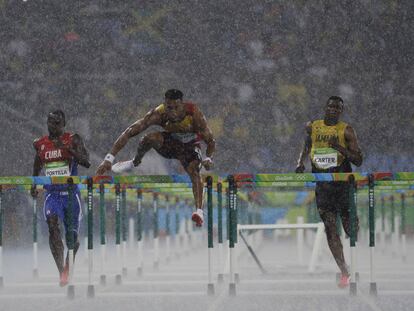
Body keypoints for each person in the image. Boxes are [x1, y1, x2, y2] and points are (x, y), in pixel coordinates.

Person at [96, 89, 216, 226]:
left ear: (182, 104)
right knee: (148, 138)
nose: (173, 112)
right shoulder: (158, 114)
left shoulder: (194, 114)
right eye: (169, 108)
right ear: (165, 105)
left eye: (176, 107)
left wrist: (209, 157)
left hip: (190, 147)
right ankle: (135, 162)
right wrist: (109, 158)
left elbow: (211, 141)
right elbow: (129, 132)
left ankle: (199, 212)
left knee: (194, 171)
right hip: (171, 145)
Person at [295, 96, 363, 288]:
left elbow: (359, 160)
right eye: (331, 106)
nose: (333, 109)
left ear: (341, 111)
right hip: (323, 188)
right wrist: (300, 162)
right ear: (325, 108)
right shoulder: (313, 127)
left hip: (343, 187)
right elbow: (308, 144)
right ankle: (344, 272)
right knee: (331, 231)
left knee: (352, 232)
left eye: (338, 108)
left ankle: (354, 224)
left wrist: (338, 147)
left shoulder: (347, 130)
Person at [31, 110, 90, 286]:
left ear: (64, 124)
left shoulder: (73, 139)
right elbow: (37, 165)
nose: (53, 126)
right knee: (52, 226)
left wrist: (69, 150)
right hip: (52, 195)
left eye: (57, 123)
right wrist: (34, 184)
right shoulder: (40, 144)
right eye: (50, 122)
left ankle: (68, 262)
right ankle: (62, 272)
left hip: (71, 196)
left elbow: (86, 162)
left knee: (71, 239)